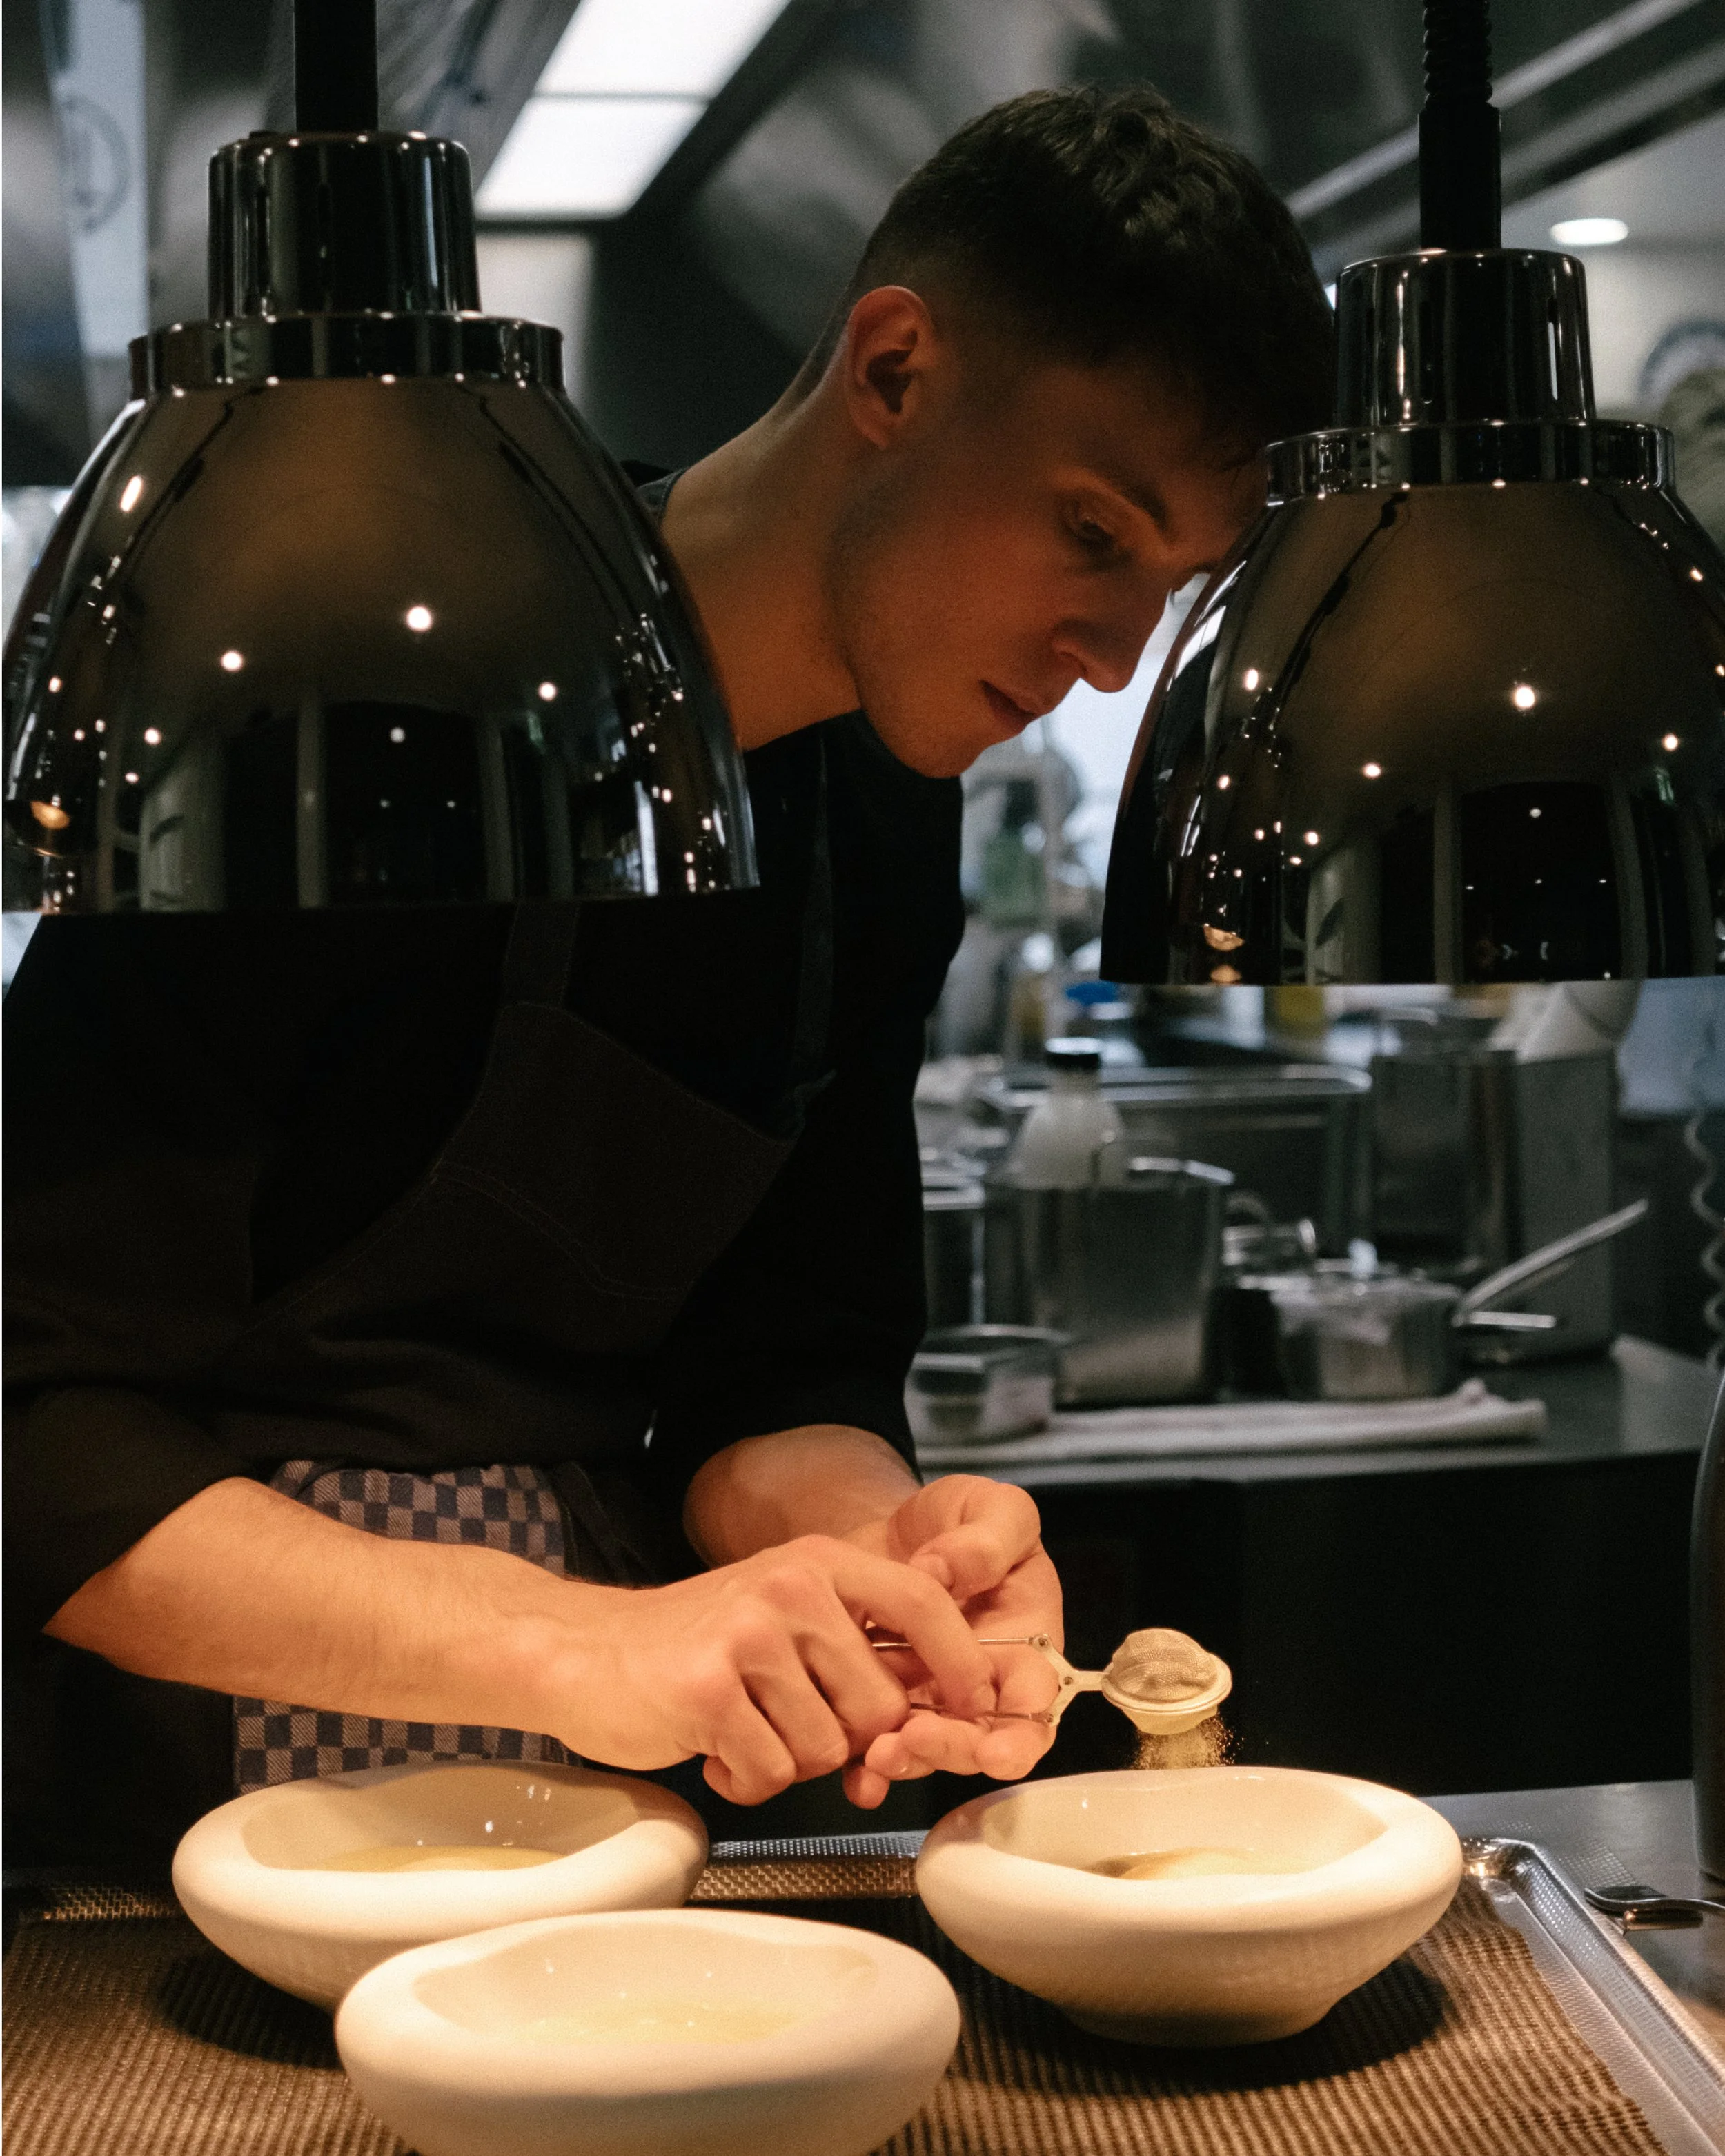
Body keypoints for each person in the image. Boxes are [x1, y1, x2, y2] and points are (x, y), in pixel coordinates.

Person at [5, 86, 1333, 1863]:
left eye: (1169, 588)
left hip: (604, 1814)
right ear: (891, 373)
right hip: (180, 1817)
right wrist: (581, 1640)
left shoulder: (873, 802)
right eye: (1091, 532)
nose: (1107, 665)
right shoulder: (374, 688)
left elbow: (781, 1361)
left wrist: (883, 1542)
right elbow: (36, 1421)